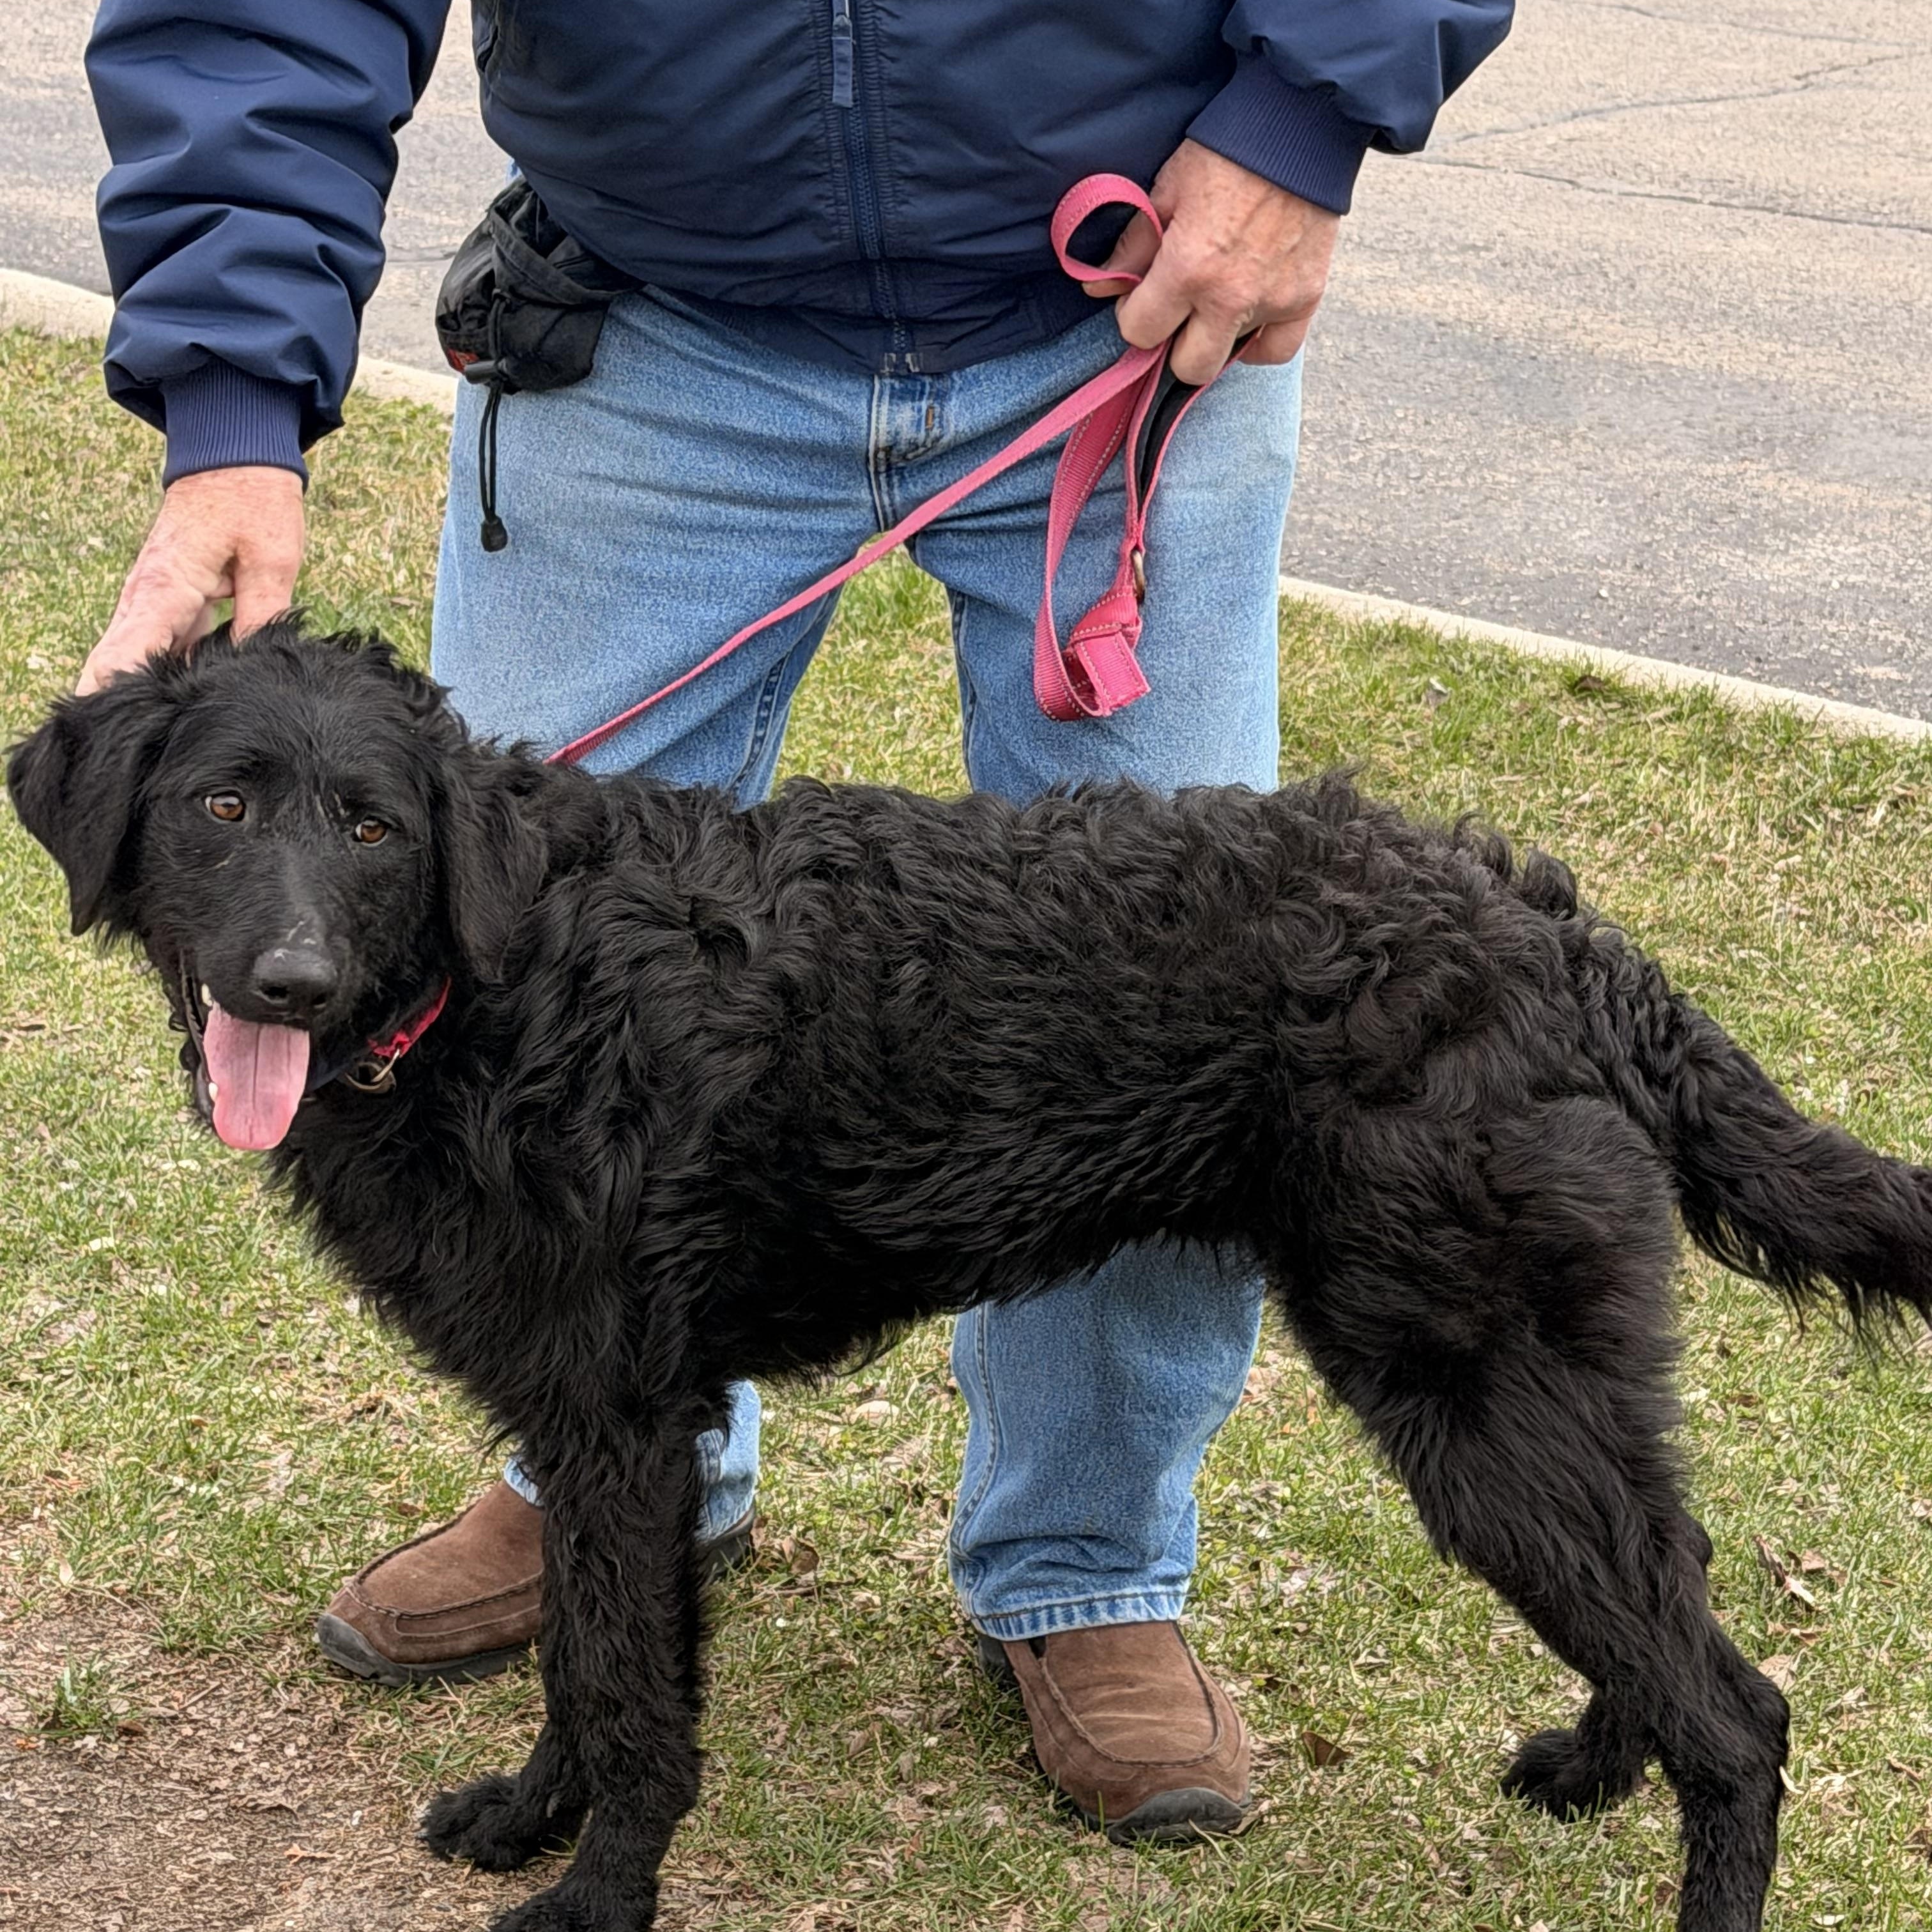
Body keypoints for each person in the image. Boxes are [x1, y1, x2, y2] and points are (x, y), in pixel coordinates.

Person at [81, 0, 1513, 1843]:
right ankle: (603, 1456)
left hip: (1141, 285)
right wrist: (229, 397)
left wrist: (1304, 113)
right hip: (646, 311)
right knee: (510, 1007)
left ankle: (1088, 1570)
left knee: (1197, 1019)